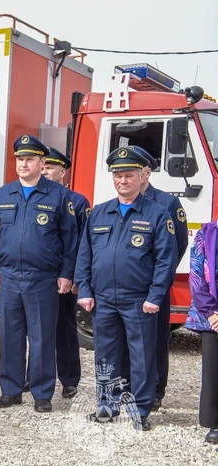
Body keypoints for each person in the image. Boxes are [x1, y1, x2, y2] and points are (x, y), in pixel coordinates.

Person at [75, 147, 177, 431]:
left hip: (139, 300)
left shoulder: (157, 214)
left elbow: (165, 260)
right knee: (105, 355)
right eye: (118, 175)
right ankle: (107, 405)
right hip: (104, 299)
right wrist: (84, 290)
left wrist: (155, 296)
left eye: (129, 175)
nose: (123, 180)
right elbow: (85, 255)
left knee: (142, 355)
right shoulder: (99, 213)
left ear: (140, 177)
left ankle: (140, 410)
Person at [0, 135, 78, 413]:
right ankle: (11, 390)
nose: (23, 164)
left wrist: (66, 273)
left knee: (41, 338)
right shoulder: (4, 194)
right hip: (10, 277)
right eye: (19, 159)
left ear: (42, 162)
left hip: (42, 278)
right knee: (11, 336)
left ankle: (41, 393)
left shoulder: (58, 195)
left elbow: (70, 239)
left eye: (29, 159)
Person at [129, 145, 189, 410]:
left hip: (153, 285)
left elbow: (178, 244)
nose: (126, 177)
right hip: (126, 285)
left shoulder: (167, 203)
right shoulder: (121, 200)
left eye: (133, 171)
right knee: (126, 340)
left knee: (155, 339)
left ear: (146, 173)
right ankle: (129, 388)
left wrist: (159, 279)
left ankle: (155, 390)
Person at [37, 147, 91, 399]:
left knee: (64, 328)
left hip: (63, 276)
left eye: (51, 167)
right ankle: (33, 376)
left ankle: (69, 379)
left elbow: (81, 243)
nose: (45, 170)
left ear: (63, 171)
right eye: (43, 166)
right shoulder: (34, 197)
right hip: (38, 275)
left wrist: (77, 278)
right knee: (35, 330)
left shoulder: (77, 202)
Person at [184, 221, 218, 443]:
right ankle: (215, 423)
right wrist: (211, 313)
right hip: (212, 314)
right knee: (214, 372)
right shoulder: (205, 234)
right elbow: (196, 275)